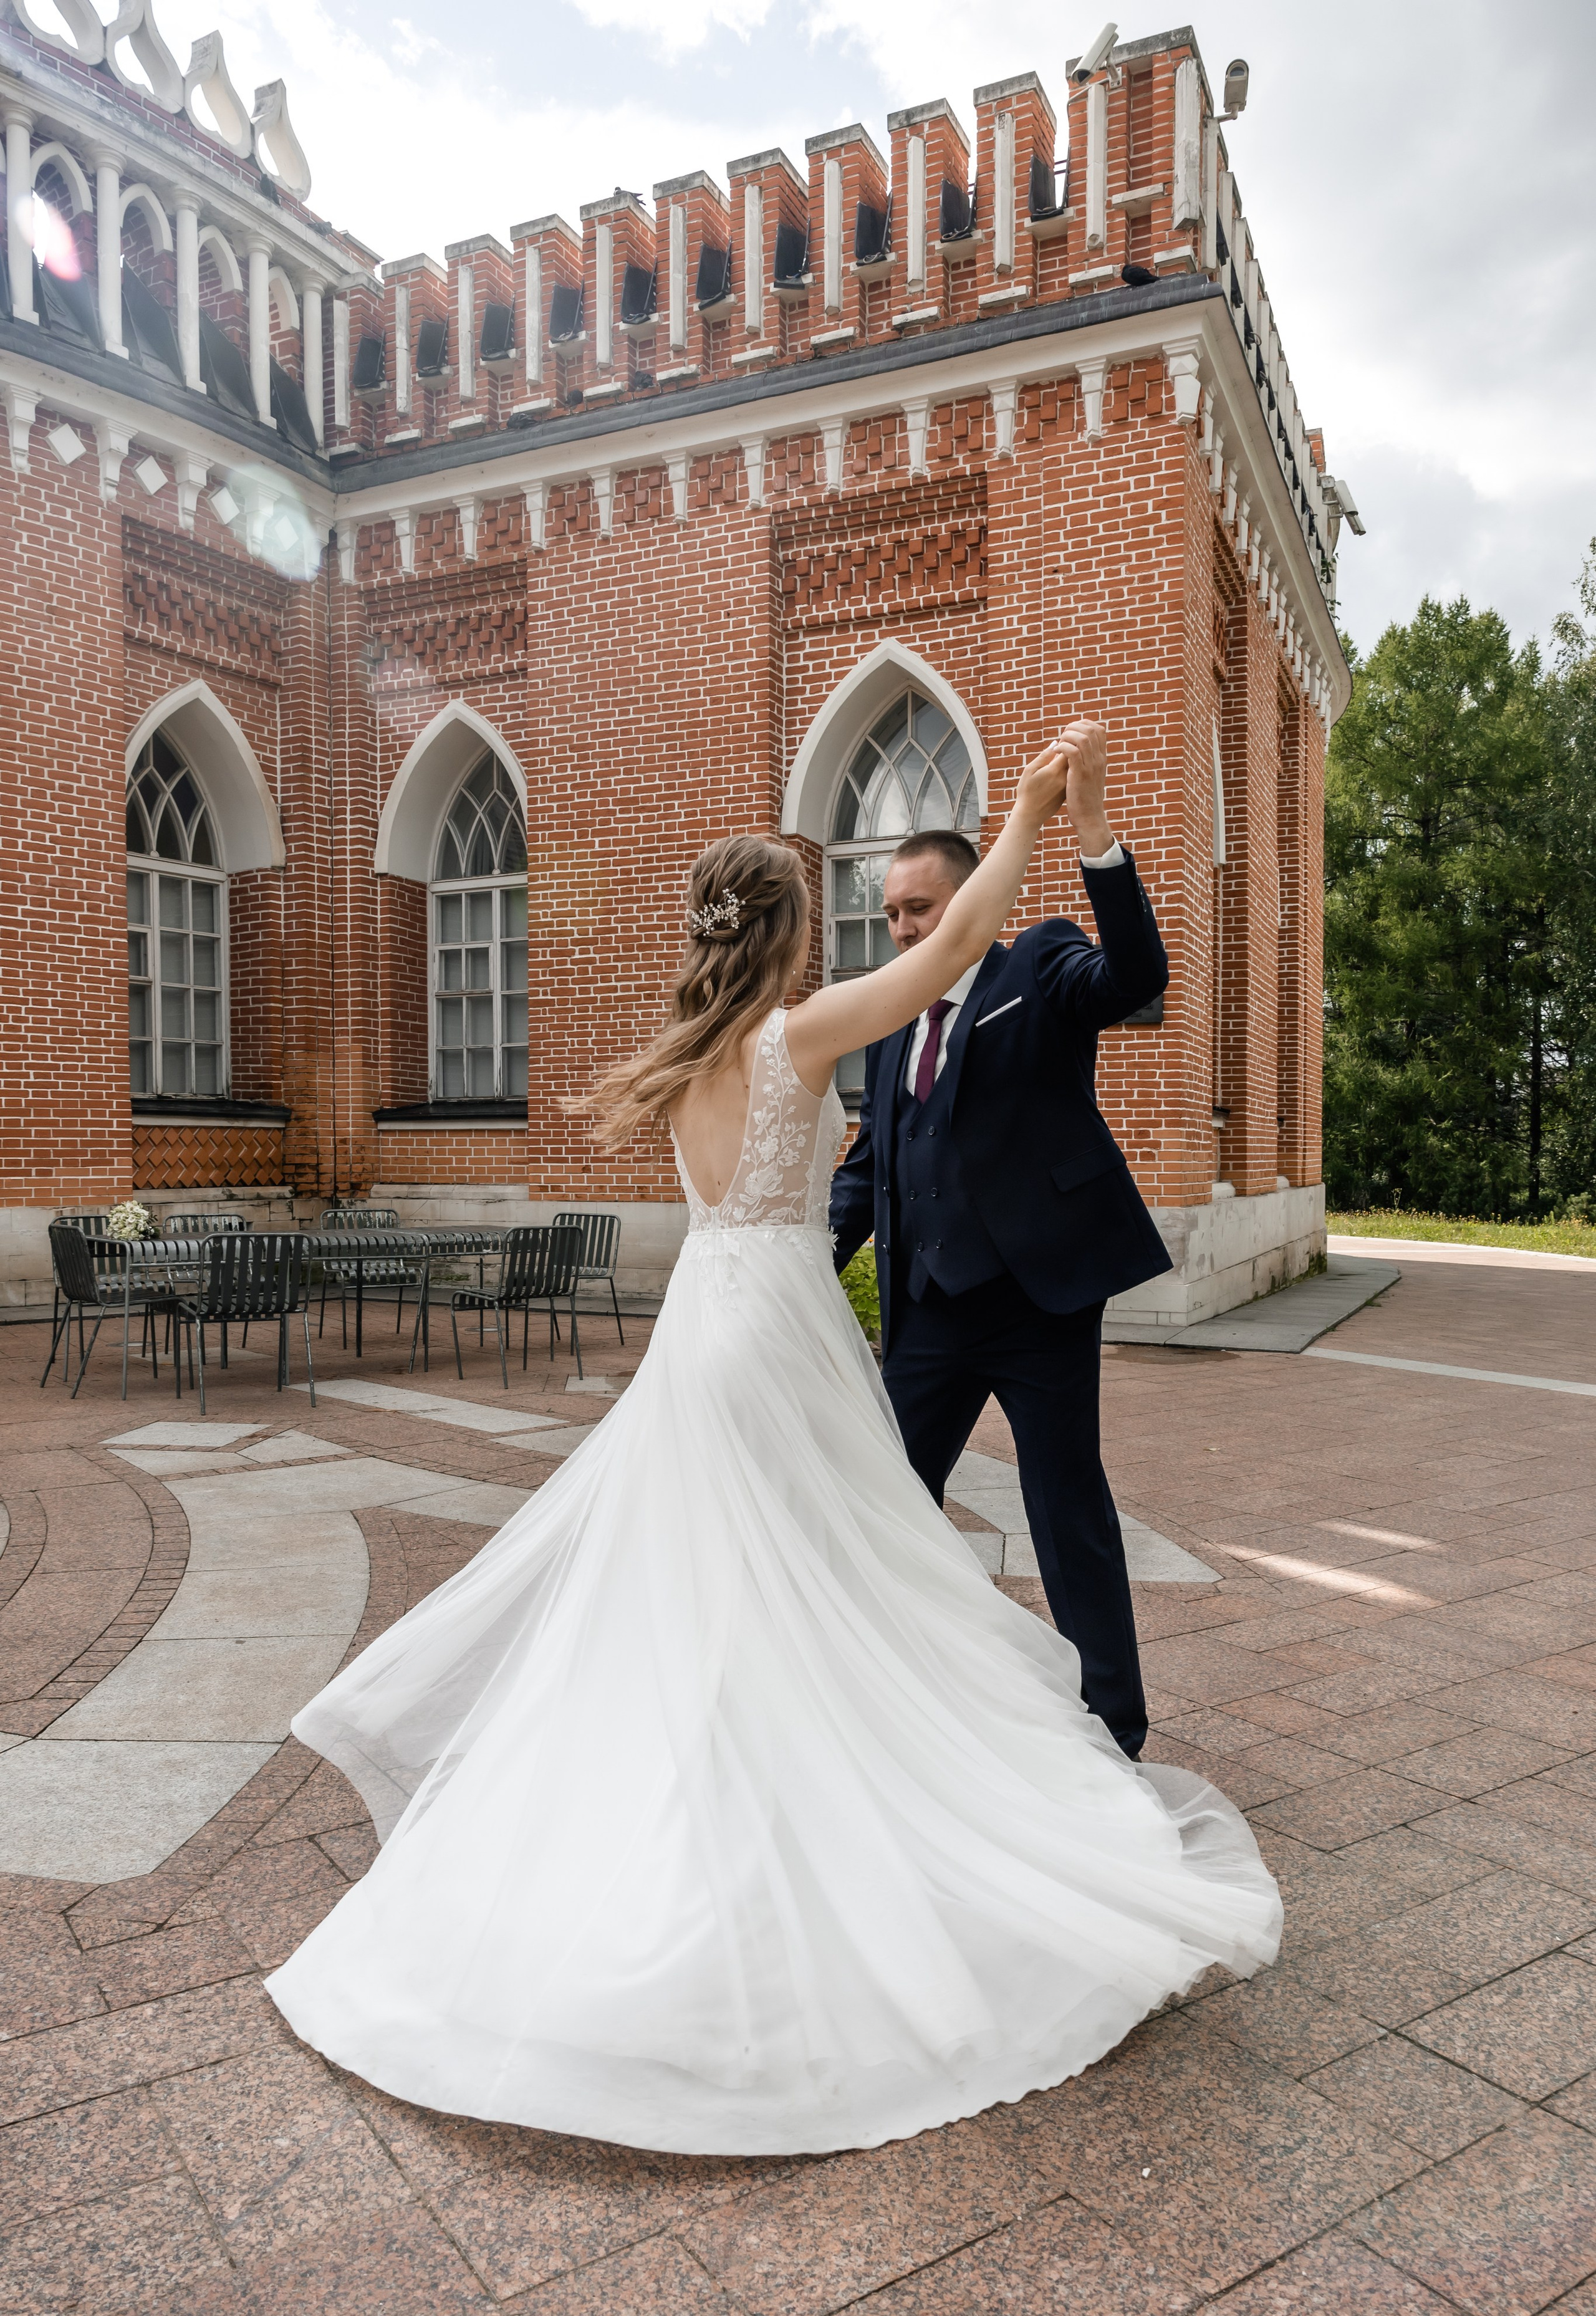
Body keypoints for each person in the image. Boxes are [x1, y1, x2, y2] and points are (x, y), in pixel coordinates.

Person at [266, 725, 1279, 2158]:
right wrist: (1041, 809)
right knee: (837, 1562)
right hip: (782, 1327)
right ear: (788, 930)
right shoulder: (794, 1036)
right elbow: (949, 954)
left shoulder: (690, 1056)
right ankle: (811, 1794)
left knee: (741, 1569)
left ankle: (724, 1769)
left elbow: (976, 986)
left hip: (707, 1327)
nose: (856, 932)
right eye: (824, 914)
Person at [830, 759, 1171, 1761]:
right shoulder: (891, 1020)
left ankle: (1115, 1728)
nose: (903, 931)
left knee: (1067, 1509)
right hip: (927, 1308)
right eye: (891, 915)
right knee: (886, 1505)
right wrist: (802, 1260)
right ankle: (883, 1696)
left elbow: (1136, 980)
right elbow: (870, 1166)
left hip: (1038, 1304)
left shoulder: (1041, 964)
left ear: (968, 896)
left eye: (921, 910)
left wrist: (1097, 831)